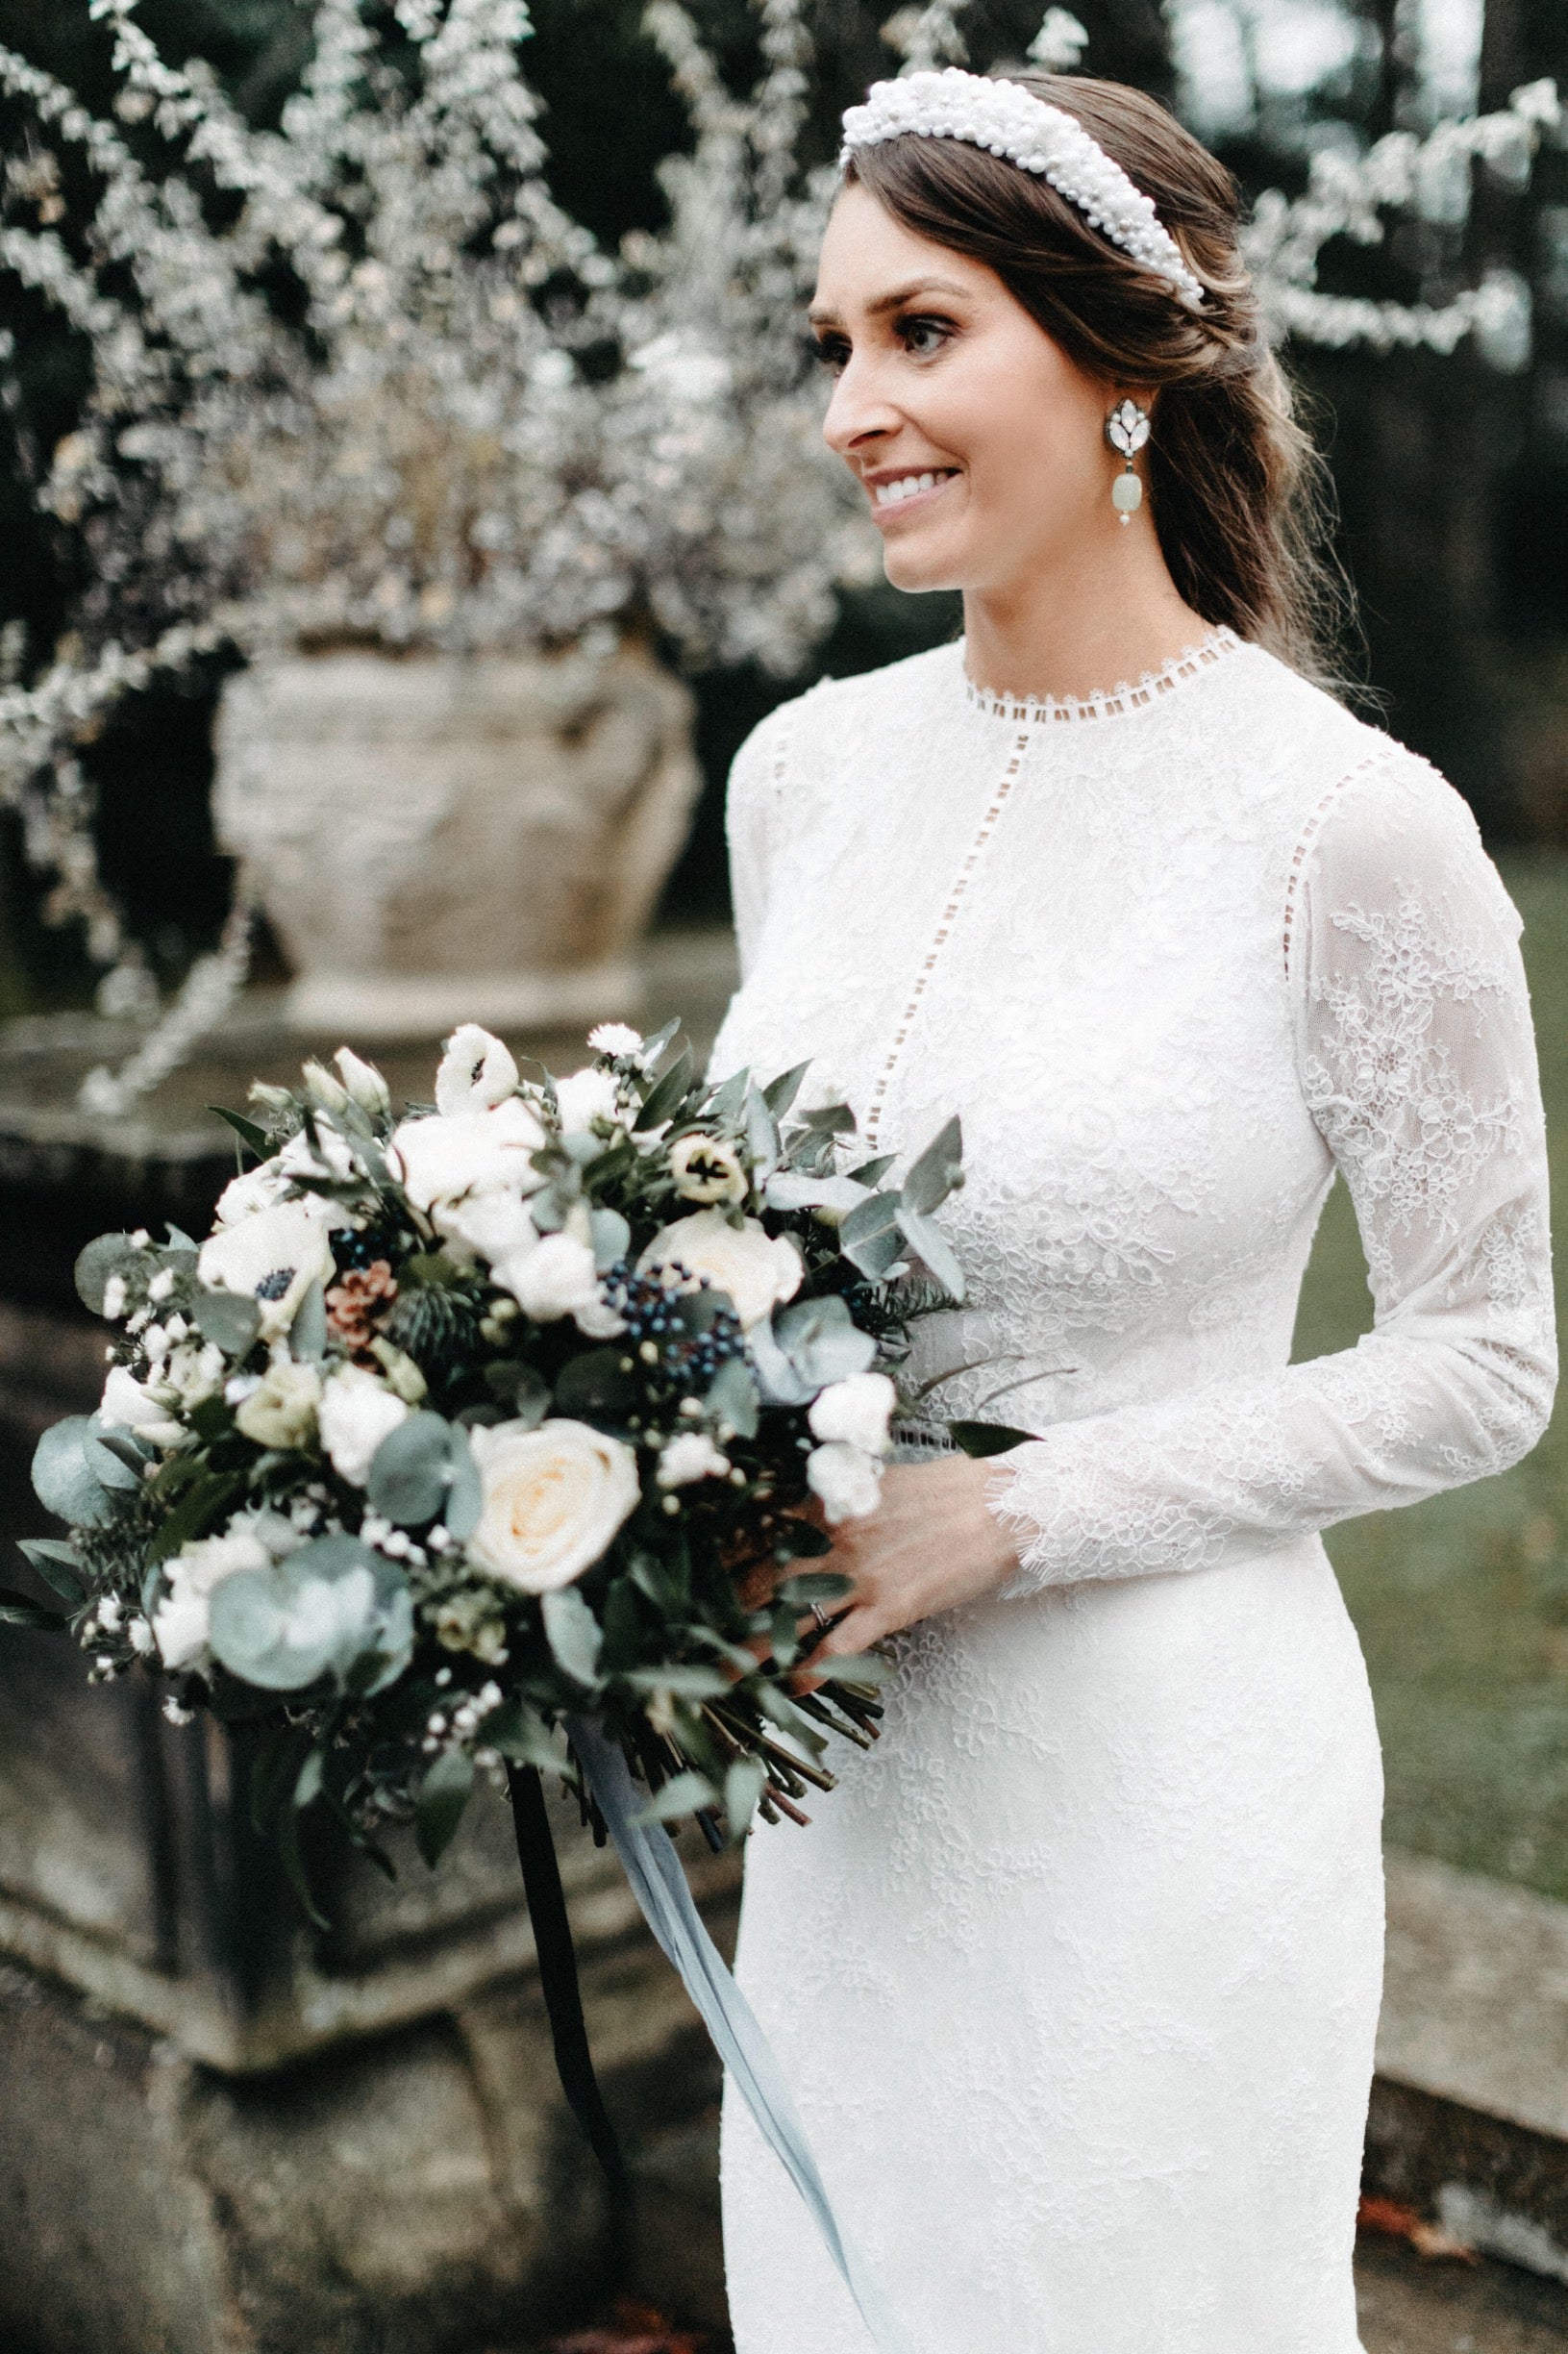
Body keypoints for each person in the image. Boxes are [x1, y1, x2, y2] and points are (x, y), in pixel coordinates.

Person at [705, 63, 1558, 2354]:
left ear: (1121, 363)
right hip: (847, 1810)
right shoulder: (800, 781)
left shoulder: (1347, 834)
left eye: (921, 331)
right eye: (831, 347)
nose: (851, 407)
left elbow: (1486, 1361)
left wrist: (1004, 1519)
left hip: (1162, 1798)